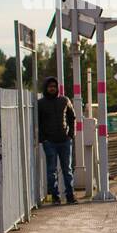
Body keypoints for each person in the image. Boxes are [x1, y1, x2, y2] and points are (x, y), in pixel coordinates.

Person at [37, 76, 77, 205]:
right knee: (51, 171)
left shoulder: (64, 100)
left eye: (54, 86)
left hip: (65, 140)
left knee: (67, 170)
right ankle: (55, 197)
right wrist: (43, 139)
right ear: (46, 88)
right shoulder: (41, 103)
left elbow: (72, 117)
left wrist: (71, 134)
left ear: (57, 88)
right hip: (50, 142)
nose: (52, 89)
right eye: (50, 87)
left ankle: (70, 196)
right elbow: (38, 122)